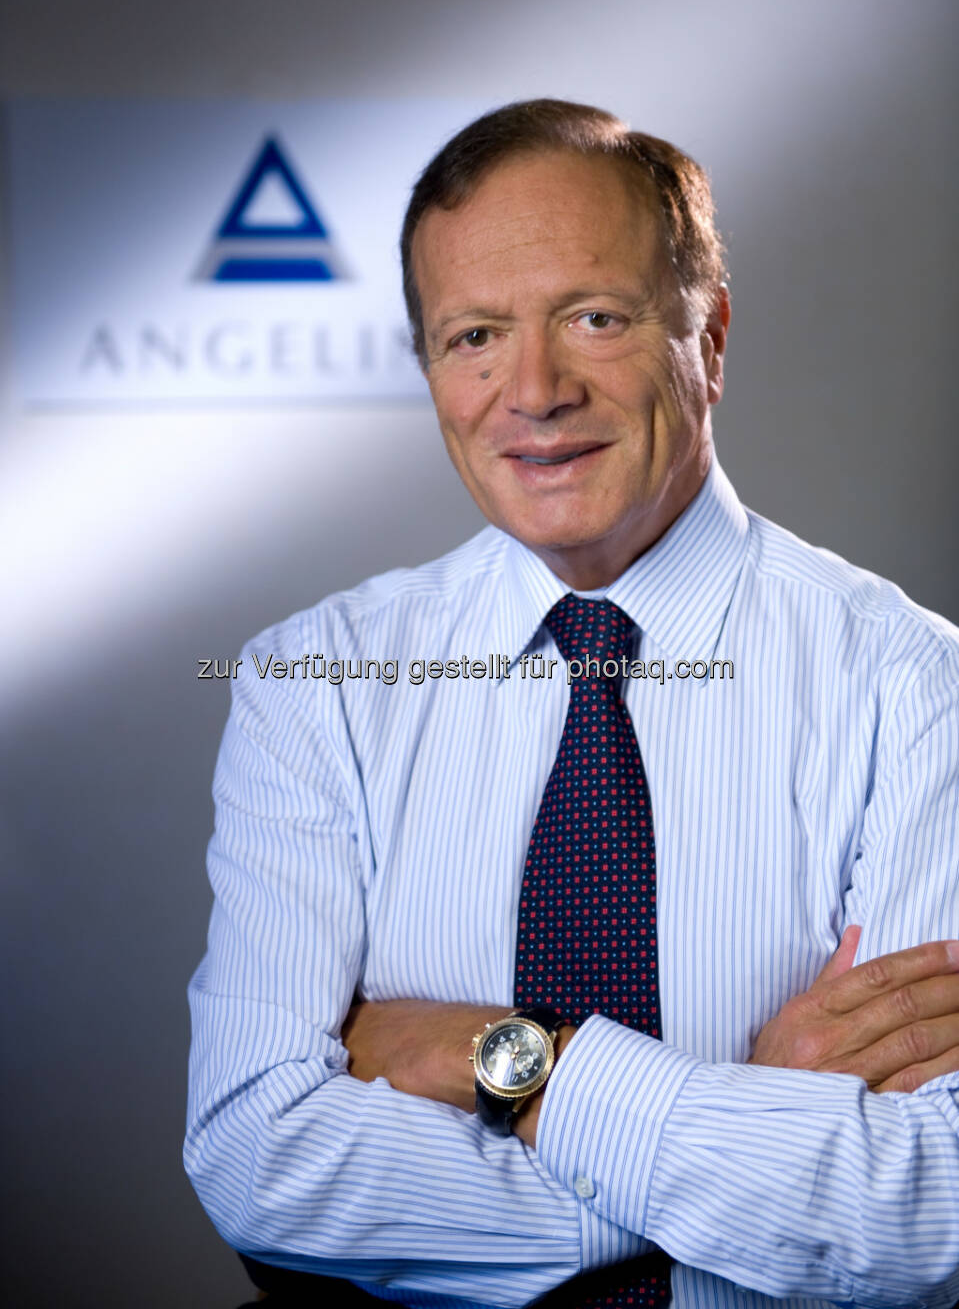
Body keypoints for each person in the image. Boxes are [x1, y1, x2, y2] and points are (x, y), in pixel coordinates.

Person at [185, 100, 959, 1309]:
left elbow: (926, 1208)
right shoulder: (315, 686)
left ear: (708, 339)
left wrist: (507, 1063)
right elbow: (257, 1161)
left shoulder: (915, 688)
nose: (533, 391)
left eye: (594, 318)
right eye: (474, 337)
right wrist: (747, 1126)